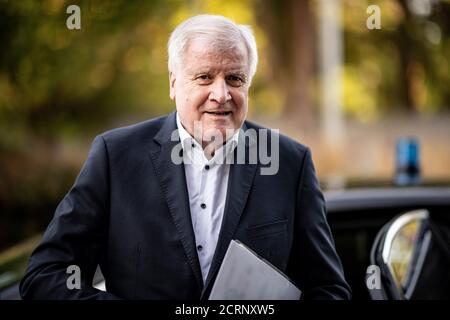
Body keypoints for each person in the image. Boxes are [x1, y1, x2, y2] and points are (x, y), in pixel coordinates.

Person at [20, 14, 351, 300]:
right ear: (174, 83)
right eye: (204, 77)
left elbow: (329, 288)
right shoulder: (115, 156)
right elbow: (45, 275)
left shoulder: (290, 163)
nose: (220, 94)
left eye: (234, 78)